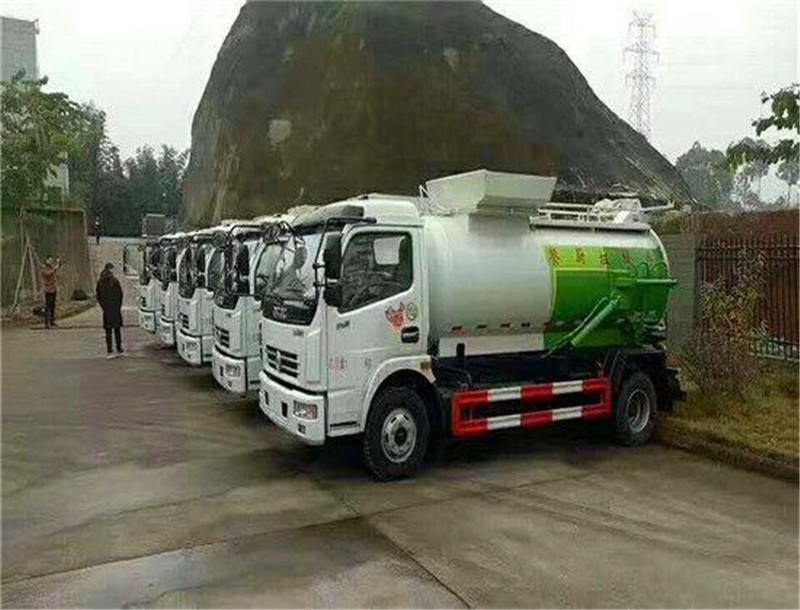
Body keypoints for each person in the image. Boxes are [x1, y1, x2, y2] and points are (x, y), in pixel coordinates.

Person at [96, 263, 124, 359]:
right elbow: (120, 294)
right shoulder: (115, 281)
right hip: (115, 308)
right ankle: (119, 349)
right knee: (117, 331)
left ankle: (109, 351)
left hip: (107, 309)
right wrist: (118, 305)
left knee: (108, 331)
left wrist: (103, 306)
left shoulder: (100, 282)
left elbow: (98, 296)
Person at [40, 256, 62, 329]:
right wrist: (56, 267)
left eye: (52, 260)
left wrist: (57, 266)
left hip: (53, 289)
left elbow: (56, 275)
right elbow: (48, 274)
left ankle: (52, 321)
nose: (51, 261)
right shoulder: (44, 268)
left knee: (53, 306)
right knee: (48, 306)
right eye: (50, 260)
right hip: (48, 290)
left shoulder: (51, 268)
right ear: (46, 261)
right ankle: (46, 323)